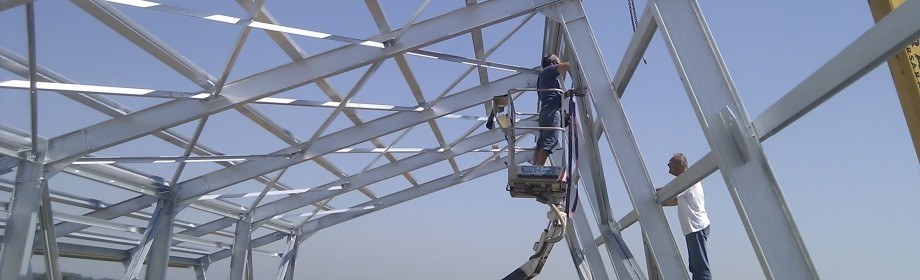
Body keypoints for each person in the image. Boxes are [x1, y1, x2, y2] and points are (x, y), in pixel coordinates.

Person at [662, 153, 711, 280]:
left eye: (671, 162)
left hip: (696, 226)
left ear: (680, 165)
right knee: (696, 266)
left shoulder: (686, 179)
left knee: (700, 267)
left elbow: (669, 195)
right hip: (693, 227)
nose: (668, 165)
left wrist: (650, 194)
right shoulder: (685, 181)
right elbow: (674, 201)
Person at [533, 54, 569, 166]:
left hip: (545, 112)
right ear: (552, 62)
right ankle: (539, 168)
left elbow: (551, 95)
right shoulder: (549, 70)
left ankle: (536, 166)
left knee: (542, 142)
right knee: (549, 140)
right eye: (557, 59)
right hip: (551, 112)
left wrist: (566, 94)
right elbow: (567, 65)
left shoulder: (542, 78)